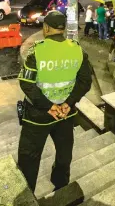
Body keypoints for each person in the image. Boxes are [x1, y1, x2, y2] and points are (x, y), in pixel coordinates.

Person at [17, 10, 92, 192]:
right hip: (66, 114)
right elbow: (85, 81)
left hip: (37, 116)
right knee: (64, 152)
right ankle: (61, 188)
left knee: (29, 158)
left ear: (46, 28)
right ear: (63, 29)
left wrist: (49, 106)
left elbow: (27, 84)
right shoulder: (77, 50)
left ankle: (29, 196)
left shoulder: (37, 51)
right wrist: (68, 104)